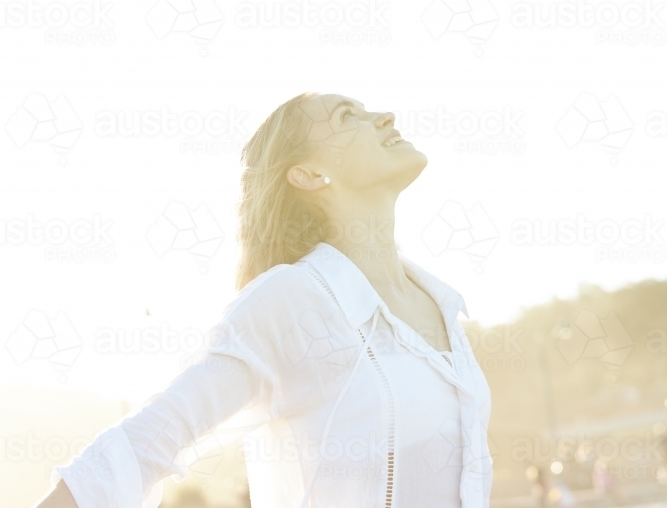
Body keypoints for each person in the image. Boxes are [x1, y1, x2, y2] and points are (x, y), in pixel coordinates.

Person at [33, 93, 493, 507]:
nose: (385, 115)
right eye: (347, 115)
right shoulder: (294, 301)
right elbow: (145, 441)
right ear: (309, 174)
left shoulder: (443, 305)